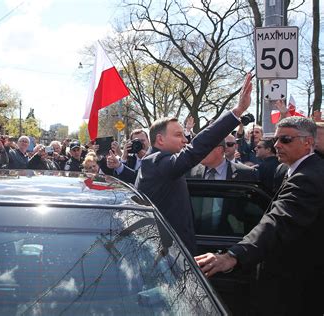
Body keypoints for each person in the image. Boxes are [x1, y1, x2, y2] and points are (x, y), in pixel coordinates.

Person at [195, 117, 324, 315]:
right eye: (276, 140)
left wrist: (232, 256)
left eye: (286, 140)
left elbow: (278, 220)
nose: (277, 145)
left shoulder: (309, 177)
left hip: (296, 284)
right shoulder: (287, 170)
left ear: (308, 142)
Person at [135, 73, 253, 254]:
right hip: (166, 256)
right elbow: (194, 150)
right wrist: (236, 112)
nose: (185, 141)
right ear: (160, 139)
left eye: (184, 135)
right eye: (178, 135)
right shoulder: (155, 162)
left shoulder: (158, 163)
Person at [188, 139, 258, 181]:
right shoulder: (190, 172)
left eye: (203, 147)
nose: (199, 151)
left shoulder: (246, 173)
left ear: (219, 149)